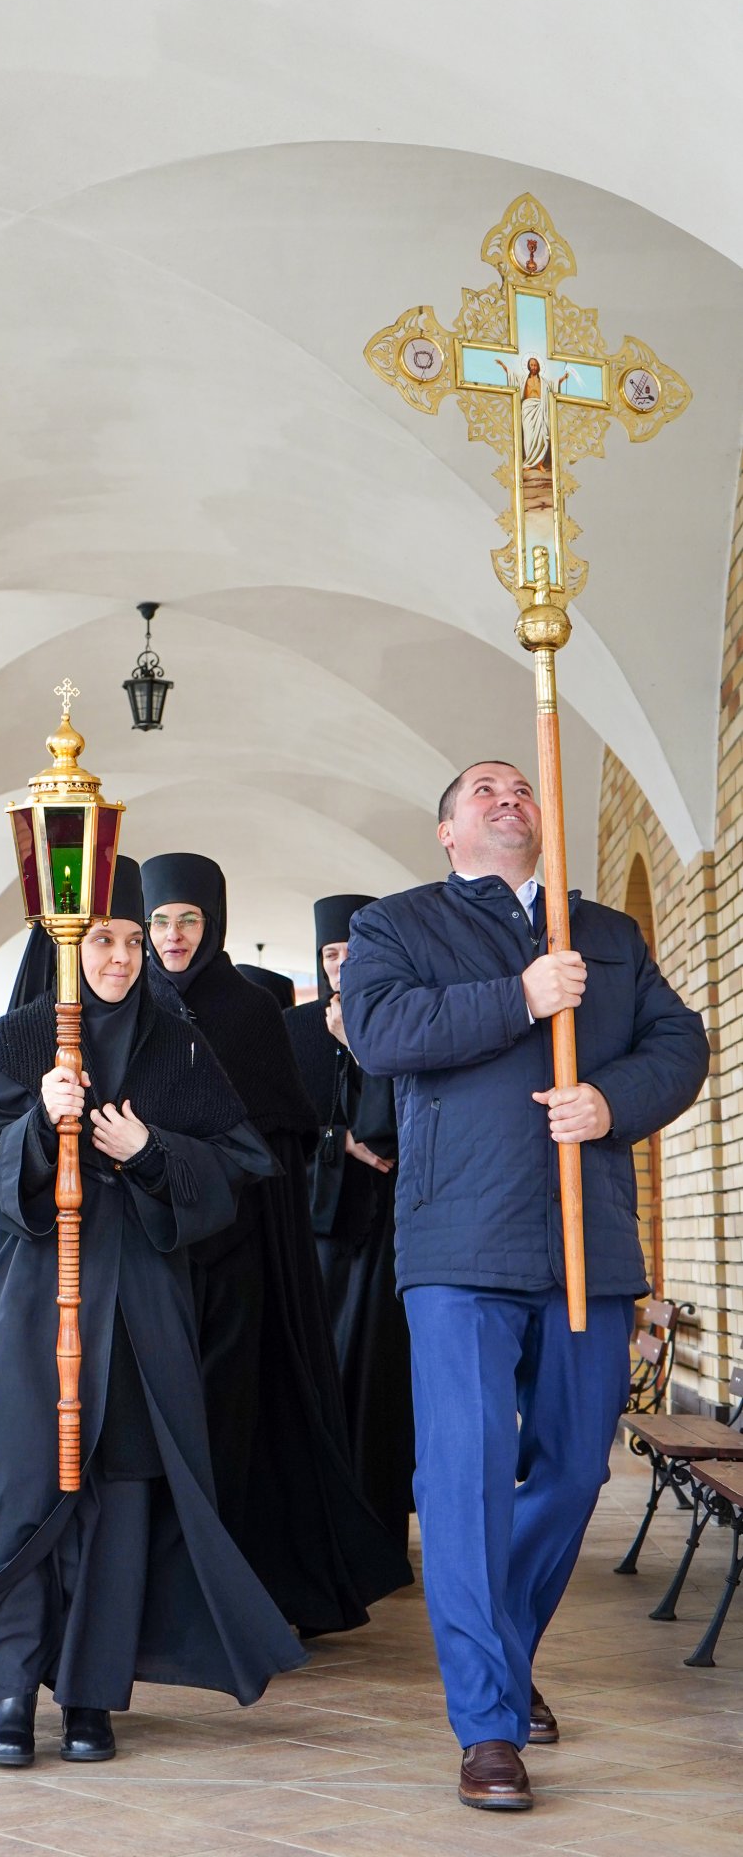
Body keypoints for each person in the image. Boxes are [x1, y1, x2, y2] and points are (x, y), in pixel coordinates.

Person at [0, 858, 305, 1767]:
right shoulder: (21, 1039)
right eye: (102, 939)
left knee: (119, 1494)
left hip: (137, 1301)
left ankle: (92, 1696)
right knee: (17, 1488)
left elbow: (236, 1171)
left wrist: (150, 1150)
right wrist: (36, 1122)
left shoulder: (176, 1044)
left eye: (133, 941)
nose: (120, 957)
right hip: (23, 1297)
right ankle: (12, 1694)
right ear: (63, 946)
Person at [342, 760, 710, 1813]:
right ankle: (490, 1723)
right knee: (465, 1472)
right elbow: (382, 1035)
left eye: (521, 787)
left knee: (576, 1469)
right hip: (459, 1242)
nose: (509, 797)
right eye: (484, 791)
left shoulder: (607, 932)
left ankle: (497, 1642)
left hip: (587, 1241)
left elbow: (680, 1042)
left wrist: (610, 1098)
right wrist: (521, 996)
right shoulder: (397, 925)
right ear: (449, 829)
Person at [141, 853, 412, 1631]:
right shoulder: (131, 1006)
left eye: (188, 919)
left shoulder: (247, 1012)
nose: (173, 936)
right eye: (159, 921)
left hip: (238, 1249)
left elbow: (276, 1134)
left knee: (230, 1412)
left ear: (213, 922)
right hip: (157, 1249)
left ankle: (230, 1585)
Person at [286, 897, 412, 1555]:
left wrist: (356, 1045)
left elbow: (389, 1128)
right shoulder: (294, 1029)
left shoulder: (397, 1022)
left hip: (383, 1235)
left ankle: (376, 1531)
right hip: (314, 1234)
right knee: (323, 1372)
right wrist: (338, 1141)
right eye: (331, 955)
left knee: (377, 1379)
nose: (341, 966)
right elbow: (281, 1132)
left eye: (353, 953)